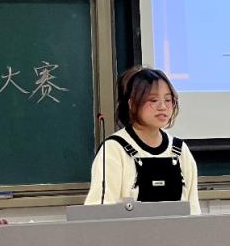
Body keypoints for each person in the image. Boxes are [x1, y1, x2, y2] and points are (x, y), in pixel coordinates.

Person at [85, 66, 201, 214]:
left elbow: (193, 210)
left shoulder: (179, 150)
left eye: (168, 100)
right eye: (153, 100)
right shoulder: (114, 149)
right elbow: (98, 212)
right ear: (132, 104)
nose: (162, 107)